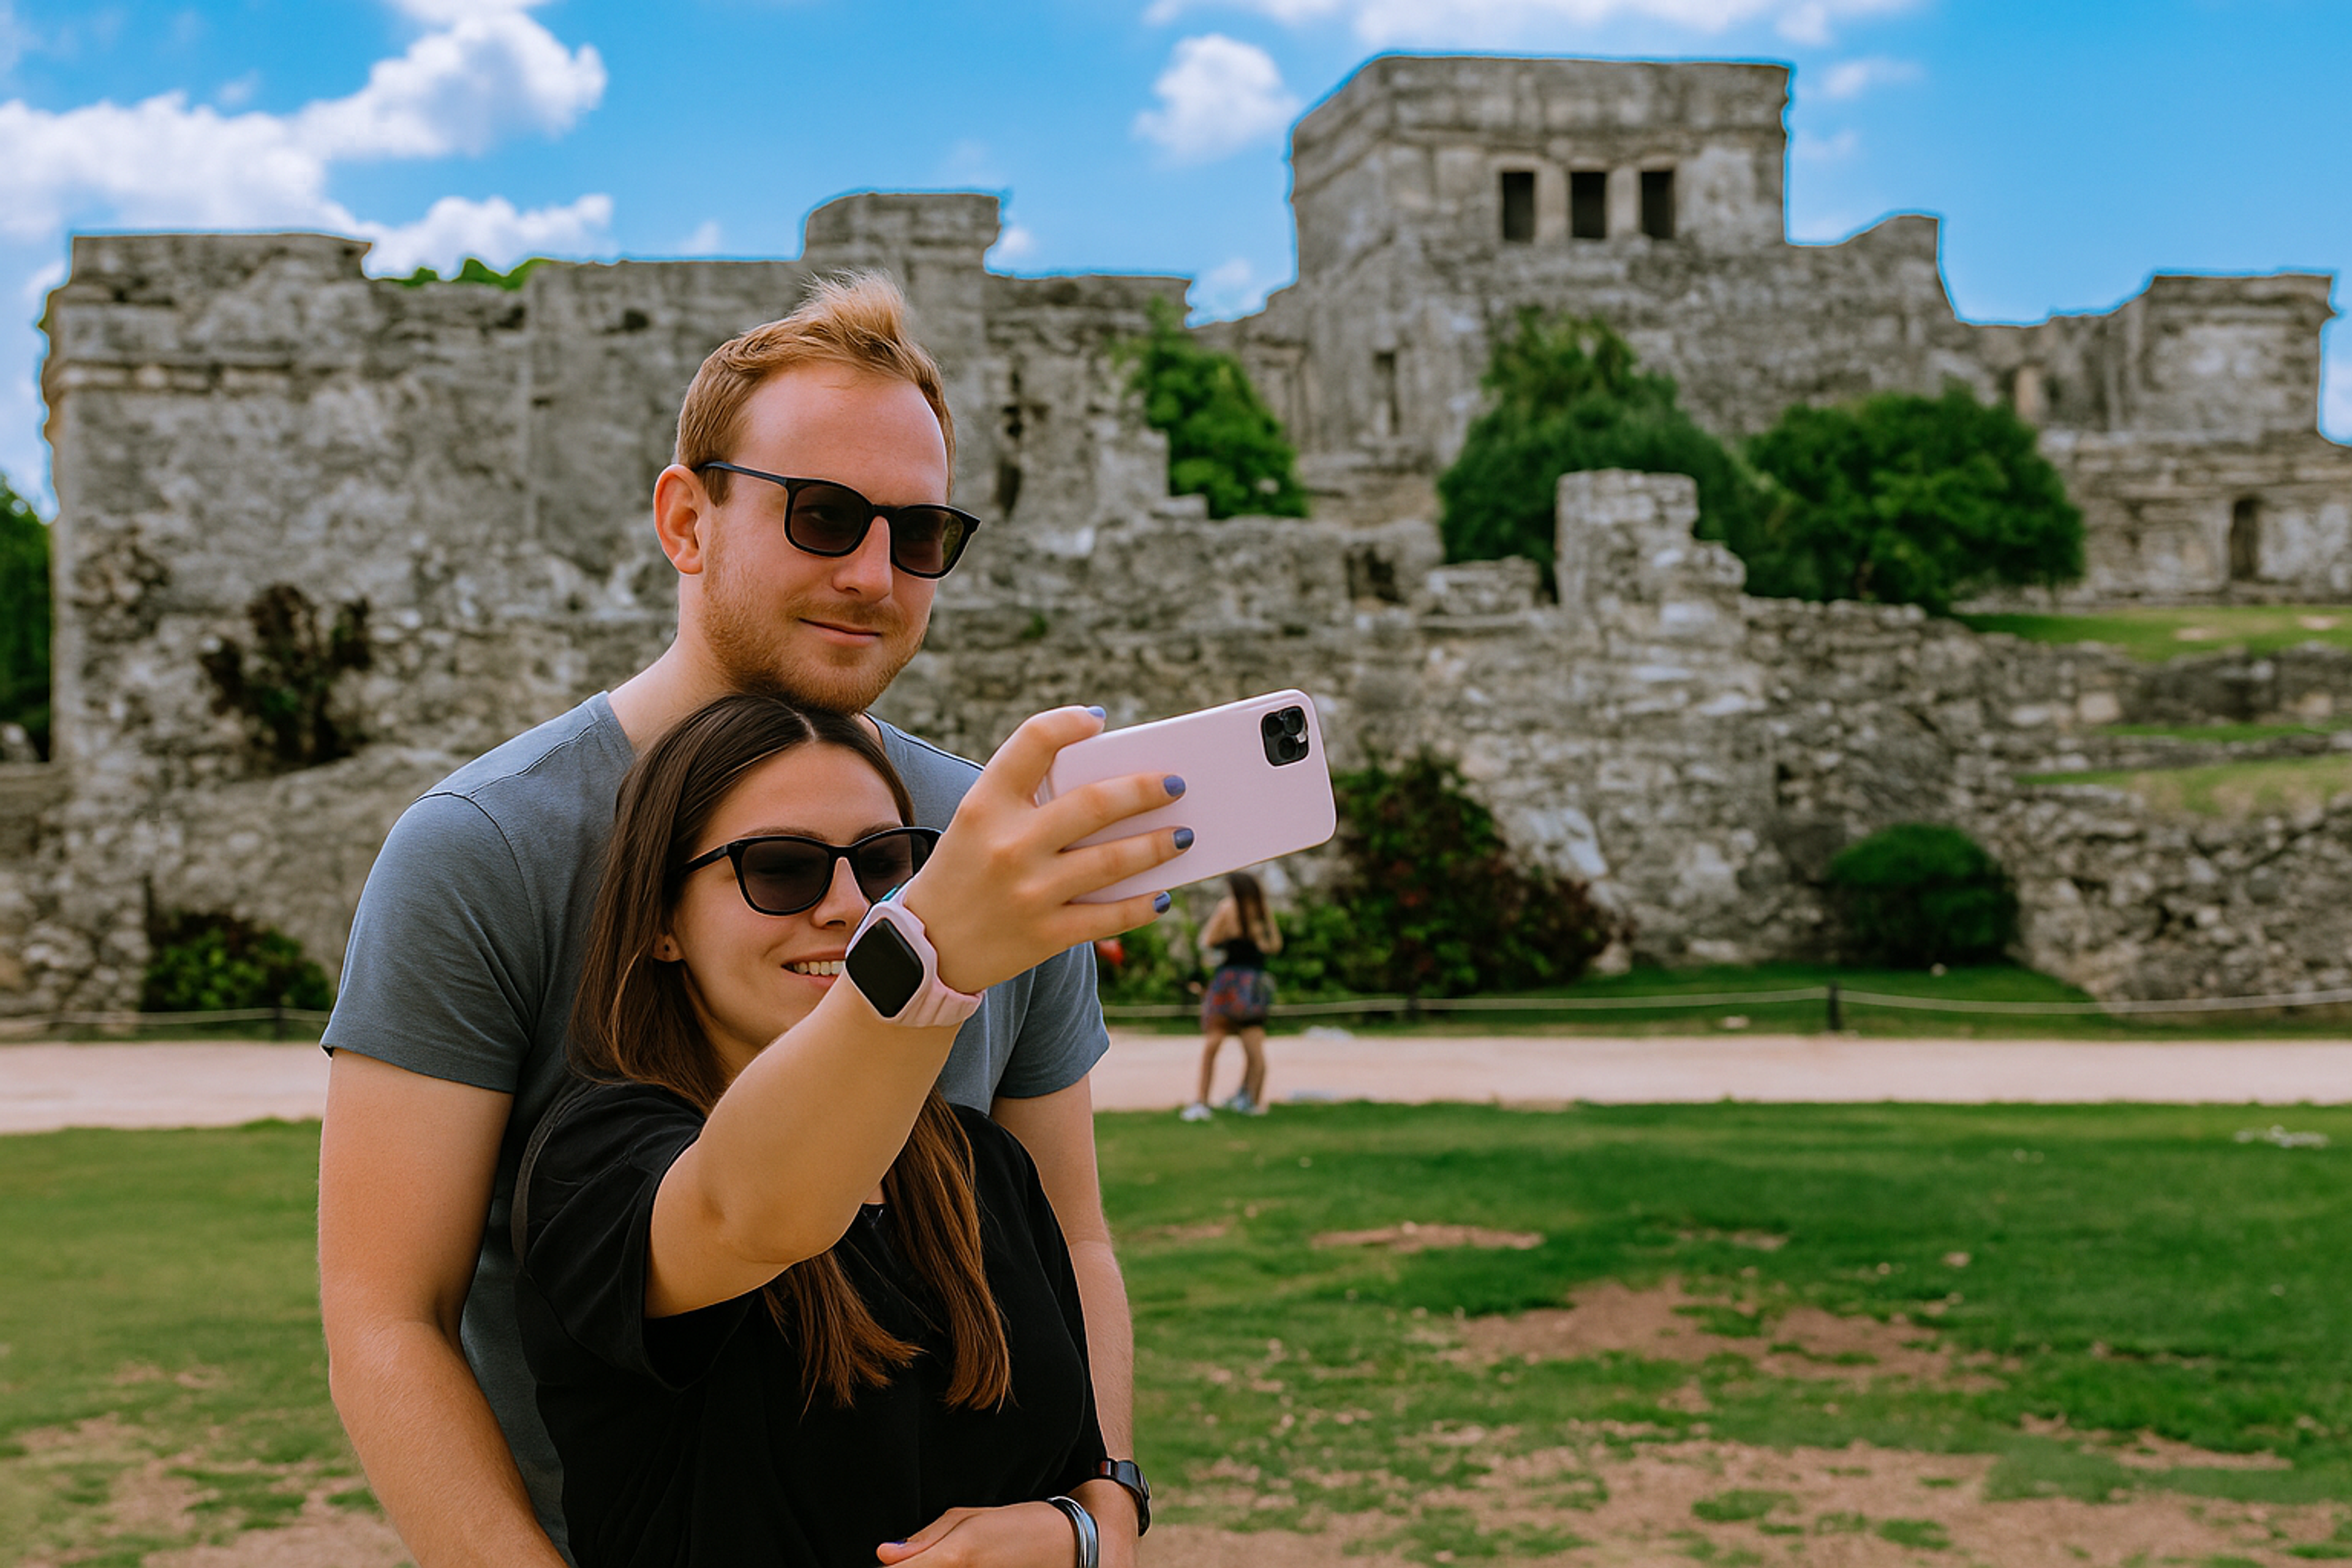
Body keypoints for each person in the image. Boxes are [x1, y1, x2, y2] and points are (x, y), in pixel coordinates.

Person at [318, 274, 1152, 1567]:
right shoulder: (485, 846)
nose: (873, 572)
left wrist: (1101, 1513)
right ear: (686, 519)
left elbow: (1073, 1232)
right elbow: (387, 1313)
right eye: (822, 516)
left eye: (920, 532)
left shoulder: (987, 829)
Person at [518, 694, 1167, 1566]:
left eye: (884, 866)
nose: (847, 905)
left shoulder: (981, 1166)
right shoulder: (597, 1160)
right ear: (662, 923)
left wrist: (1080, 1533)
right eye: (780, 868)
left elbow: (1073, 1474)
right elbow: (758, 1210)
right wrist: (924, 958)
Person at [1181, 872, 1282, 1120]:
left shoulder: (1228, 908)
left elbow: (1208, 939)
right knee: (1254, 1047)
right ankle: (1251, 1102)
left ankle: (1203, 1101)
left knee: (1214, 1042)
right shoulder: (1261, 912)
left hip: (1230, 983)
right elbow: (1274, 946)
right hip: (1254, 984)